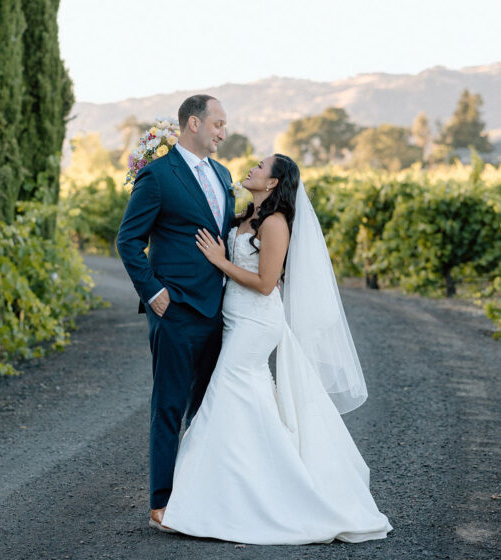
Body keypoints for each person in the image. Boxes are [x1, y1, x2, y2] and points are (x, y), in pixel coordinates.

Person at [161, 153, 392, 544]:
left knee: (227, 391)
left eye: (261, 166)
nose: (252, 167)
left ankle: (233, 498)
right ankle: (240, 490)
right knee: (244, 399)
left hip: (256, 322)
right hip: (234, 319)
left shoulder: (275, 223)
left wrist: (219, 261)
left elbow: (267, 283)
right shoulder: (243, 218)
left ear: (272, 183)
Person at [116, 94, 235, 531]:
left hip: (218, 311)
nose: (224, 132)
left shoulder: (223, 175)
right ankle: (161, 503)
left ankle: (199, 495)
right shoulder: (159, 176)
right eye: (218, 124)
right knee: (168, 407)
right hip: (175, 309)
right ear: (192, 124)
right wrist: (153, 293)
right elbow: (128, 241)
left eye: (225, 125)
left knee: (206, 410)